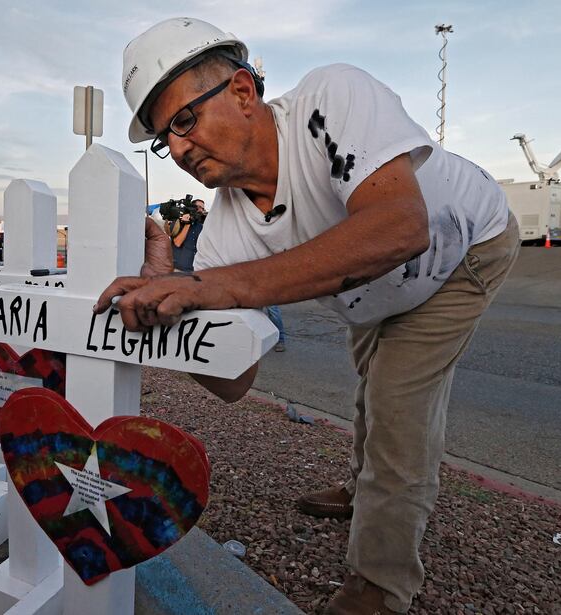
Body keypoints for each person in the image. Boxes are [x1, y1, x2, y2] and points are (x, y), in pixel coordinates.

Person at [100, 17, 520, 614]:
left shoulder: (333, 97)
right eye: (164, 138)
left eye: (185, 120)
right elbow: (233, 382)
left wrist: (214, 287)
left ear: (243, 92)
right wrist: (171, 316)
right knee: (371, 386)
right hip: (371, 289)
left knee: (397, 407)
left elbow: (401, 228)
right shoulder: (225, 229)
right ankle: (361, 487)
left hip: (459, 253)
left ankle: (377, 587)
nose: (178, 149)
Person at [163, 198, 207, 272]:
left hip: (192, 269)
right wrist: (188, 224)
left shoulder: (200, 226)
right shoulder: (179, 222)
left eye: (202, 208)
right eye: (198, 207)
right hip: (177, 268)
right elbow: (177, 243)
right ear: (192, 207)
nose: (200, 210)